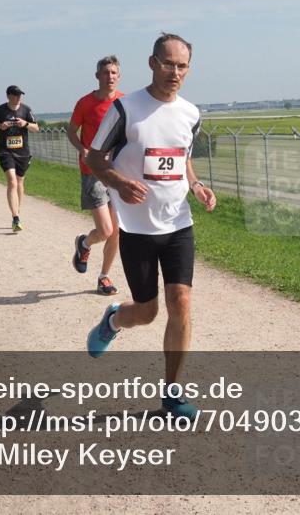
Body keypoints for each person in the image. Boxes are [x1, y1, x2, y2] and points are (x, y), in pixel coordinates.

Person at [85, 33, 217, 420]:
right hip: (137, 228)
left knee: (181, 303)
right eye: (167, 63)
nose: (174, 72)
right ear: (152, 63)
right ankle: (114, 319)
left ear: (189, 69)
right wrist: (120, 183)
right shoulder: (125, 110)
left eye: (182, 66)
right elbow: (95, 158)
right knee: (146, 312)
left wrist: (196, 185)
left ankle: (172, 394)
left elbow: (182, 157)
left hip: (178, 224)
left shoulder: (191, 114)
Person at [67, 56, 124, 295]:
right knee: (105, 230)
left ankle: (104, 277)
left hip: (118, 172)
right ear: (97, 76)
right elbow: (71, 131)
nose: (109, 76)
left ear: (118, 76)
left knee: (116, 230)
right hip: (93, 171)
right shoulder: (85, 103)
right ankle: (85, 243)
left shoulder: (124, 102)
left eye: (113, 72)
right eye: (105, 72)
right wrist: (83, 150)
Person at [0, 85, 39, 232]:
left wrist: (25, 124)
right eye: (16, 95)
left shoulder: (26, 109)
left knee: (20, 182)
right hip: (5, 151)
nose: (19, 97)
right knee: (12, 180)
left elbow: (36, 128)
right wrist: (0, 125)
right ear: (9, 96)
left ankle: (17, 211)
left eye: (20, 95)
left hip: (22, 151)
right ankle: (15, 218)